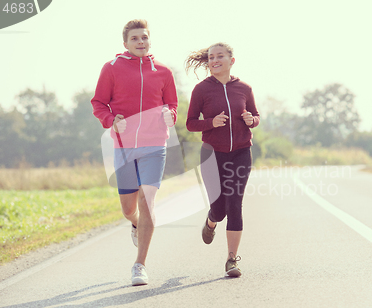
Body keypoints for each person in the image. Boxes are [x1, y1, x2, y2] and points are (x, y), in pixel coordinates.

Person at [91, 19, 177, 286]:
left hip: (155, 146)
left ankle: (139, 265)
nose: (141, 42)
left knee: (147, 201)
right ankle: (135, 224)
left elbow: (172, 103)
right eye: (135, 38)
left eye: (145, 37)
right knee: (129, 208)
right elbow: (98, 103)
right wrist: (111, 120)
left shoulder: (163, 71)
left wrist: (170, 114)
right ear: (125, 43)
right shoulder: (112, 68)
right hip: (124, 146)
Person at [185, 43, 260, 277]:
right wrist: (211, 123)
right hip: (211, 153)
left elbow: (256, 116)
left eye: (220, 56)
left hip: (240, 152)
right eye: (211, 57)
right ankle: (211, 221)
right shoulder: (201, 90)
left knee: (235, 203)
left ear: (231, 60)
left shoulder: (244, 88)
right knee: (219, 208)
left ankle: (231, 260)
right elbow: (190, 123)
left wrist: (251, 120)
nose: (214, 60)